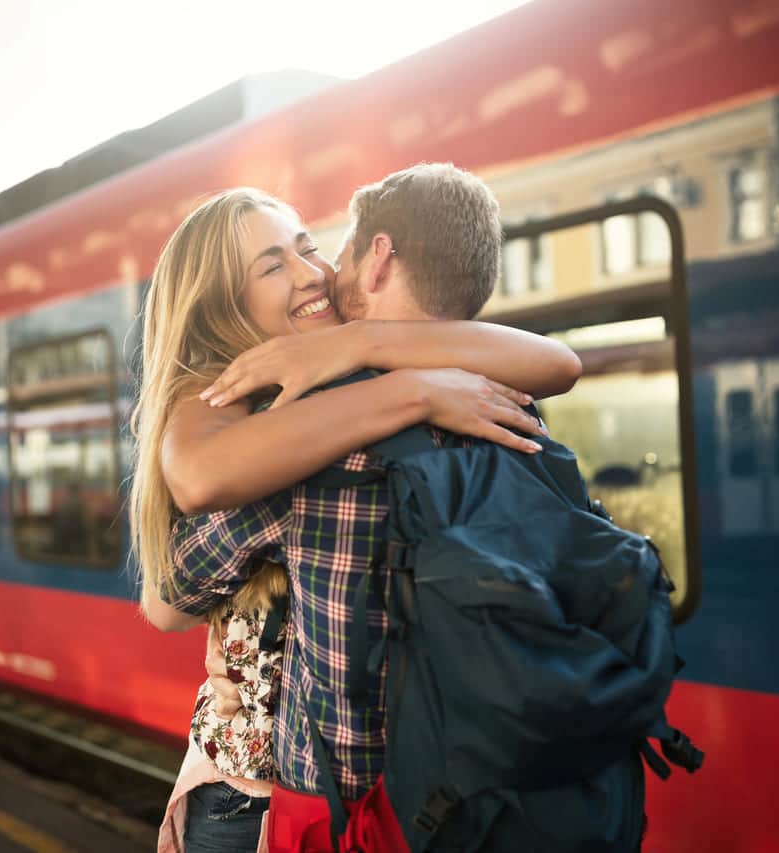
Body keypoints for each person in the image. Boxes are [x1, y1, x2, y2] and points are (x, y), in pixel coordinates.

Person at [132, 174, 581, 853]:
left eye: (308, 247)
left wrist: (362, 349)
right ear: (225, 303)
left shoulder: (332, 425)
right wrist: (413, 388)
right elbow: (188, 520)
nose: (312, 271)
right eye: (271, 262)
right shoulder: (273, 418)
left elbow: (170, 598)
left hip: (296, 798)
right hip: (434, 782)